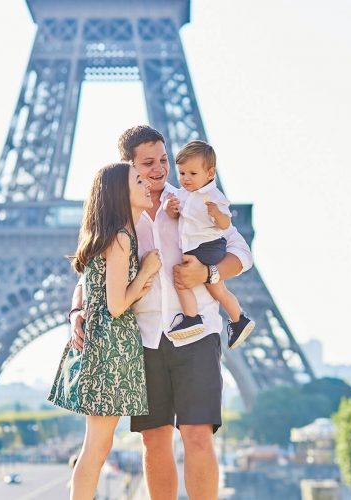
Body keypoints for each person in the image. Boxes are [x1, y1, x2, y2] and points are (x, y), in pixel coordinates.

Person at [69, 126, 253, 500]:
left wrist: (209, 273)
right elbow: (94, 269)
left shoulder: (192, 199)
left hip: (197, 332)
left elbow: (241, 252)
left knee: (198, 436)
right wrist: (76, 309)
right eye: (148, 162)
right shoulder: (120, 214)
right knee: (154, 441)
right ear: (129, 166)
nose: (159, 169)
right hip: (143, 338)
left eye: (164, 160)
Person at [48, 162, 162, 500]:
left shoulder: (110, 234)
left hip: (103, 344)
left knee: (98, 444)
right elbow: (115, 305)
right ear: (119, 193)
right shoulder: (121, 237)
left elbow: (97, 292)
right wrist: (147, 272)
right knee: (97, 446)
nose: (146, 184)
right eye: (138, 180)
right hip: (110, 347)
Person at [163, 140, 255, 349]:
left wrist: (218, 215)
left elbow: (225, 224)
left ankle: (192, 317)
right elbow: (173, 214)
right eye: (182, 173)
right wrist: (169, 208)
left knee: (182, 280)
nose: (186, 179)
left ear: (210, 173)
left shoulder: (213, 197)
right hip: (200, 248)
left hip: (208, 247)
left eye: (192, 174)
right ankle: (239, 320)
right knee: (218, 290)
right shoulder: (181, 194)